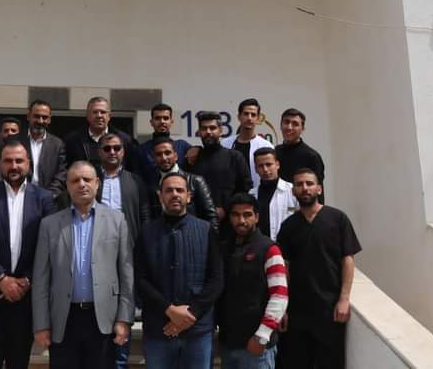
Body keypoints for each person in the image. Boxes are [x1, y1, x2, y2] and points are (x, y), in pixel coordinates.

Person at [32, 161, 134, 369]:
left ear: (97, 183)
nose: (81, 184)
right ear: (67, 186)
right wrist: (41, 324)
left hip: (103, 318)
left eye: (87, 179)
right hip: (64, 319)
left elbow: (126, 273)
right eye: (75, 180)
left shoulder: (117, 220)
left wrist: (124, 319)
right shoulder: (49, 224)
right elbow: (41, 278)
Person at [0, 139, 57, 369]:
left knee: (19, 362)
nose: (14, 166)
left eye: (19, 160)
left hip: (26, 300)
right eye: (8, 161)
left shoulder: (44, 199)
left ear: (29, 164)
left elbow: (48, 245)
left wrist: (26, 280)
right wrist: (1, 278)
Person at [135, 172, 223, 369]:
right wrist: (169, 309)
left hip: (198, 330)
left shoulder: (206, 230)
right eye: (169, 190)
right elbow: (140, 279)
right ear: (160, 196)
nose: (174, 194)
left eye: (179, 190)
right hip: (159, 329)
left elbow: (216, 279)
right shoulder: (147, 232)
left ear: (188, 196)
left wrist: (191, 314)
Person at [276, 169, 361, 369]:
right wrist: (283, 307)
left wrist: (344, 299)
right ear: (293, 191)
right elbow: (284, 267)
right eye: (299, 184)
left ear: (319, 189)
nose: (304, 188)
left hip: (329, 309)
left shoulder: (337, 219)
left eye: (309, 183)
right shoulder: (288, 226)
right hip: (297, 311)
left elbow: (348, 259)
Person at [95, 132, 150, 369]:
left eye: (116, 148)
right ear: (99, 152)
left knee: (124, 303)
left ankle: (119, 360)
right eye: (107, 148)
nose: (112, 152)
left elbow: (144, 214)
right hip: (94, 252)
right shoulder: (90, 178)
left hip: (127, 251)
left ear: (123, 151)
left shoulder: (135, 181)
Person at [217, 193, 288, 369]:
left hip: (257, 346)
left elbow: (279, 295)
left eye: (247, 214)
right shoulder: (224, 249)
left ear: (256, 217)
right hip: (228, 343)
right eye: (235, 215)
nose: (241, 220)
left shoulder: (269, 249)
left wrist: (262, 336)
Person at [188, 111, 252, 226]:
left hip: (230, 224)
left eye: (212, 128)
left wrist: (227, 209)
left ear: (221, 131)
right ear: (199, 132)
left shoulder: (235, 157)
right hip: (198, 222)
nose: (208, 132)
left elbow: (245, 189)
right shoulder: (192, 158)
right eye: (204, 128)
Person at [150, 135, 218, 230]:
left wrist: (211, 238)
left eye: (167, 153)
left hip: (194, 234)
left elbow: (211, 216)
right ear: (154, 158)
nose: (164, 158)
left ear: (176, 156)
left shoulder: (195, 181)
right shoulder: (152, 185)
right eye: (159, 154)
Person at [64, 96, 142, 175]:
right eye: (95, 112)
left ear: (109, 116)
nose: (99, 115)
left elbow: (134, 171)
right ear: (87, 116)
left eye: (103, 112)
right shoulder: (73, 140)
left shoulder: (125, 140)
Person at [139, 103, 196, 188]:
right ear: (151, 122)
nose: (162, 121)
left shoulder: (182, 146)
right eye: (157, 118)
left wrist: (197, 148)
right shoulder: (141, 150)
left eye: (165, 118)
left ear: (171, 122)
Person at [274, 109, 325, 200]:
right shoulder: (275, 152)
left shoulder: (311, 156)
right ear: (281, 126)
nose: (289, 127)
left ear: (302, 129)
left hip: (302, 206)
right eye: (286, 122)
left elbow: (317, 192)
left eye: (295, 124)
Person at [223, 98, 273, 190]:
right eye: (246, 114)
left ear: (258, 119)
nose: (249, 118)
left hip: (256, 195)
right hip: (230, 196)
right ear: (239, 117)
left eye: (253, 115)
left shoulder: (266, 146)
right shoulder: (225, 144)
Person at [23, 99, 67, 199]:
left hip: (49, 198)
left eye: (45, 117)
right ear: (28, 116)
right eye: (36, 116)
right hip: (20, 197)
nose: (40, 121)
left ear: (49, 119)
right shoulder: (16, 141)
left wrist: (49, 195)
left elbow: (62, 173)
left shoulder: (57, 144)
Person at [251, 147, 298, 240]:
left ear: (277, 165)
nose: (265, 169)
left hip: (288, 245)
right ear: (256, 169)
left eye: (269, 164)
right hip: (261, 246)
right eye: (260, 166)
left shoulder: (293, 191)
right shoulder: (251, 194)